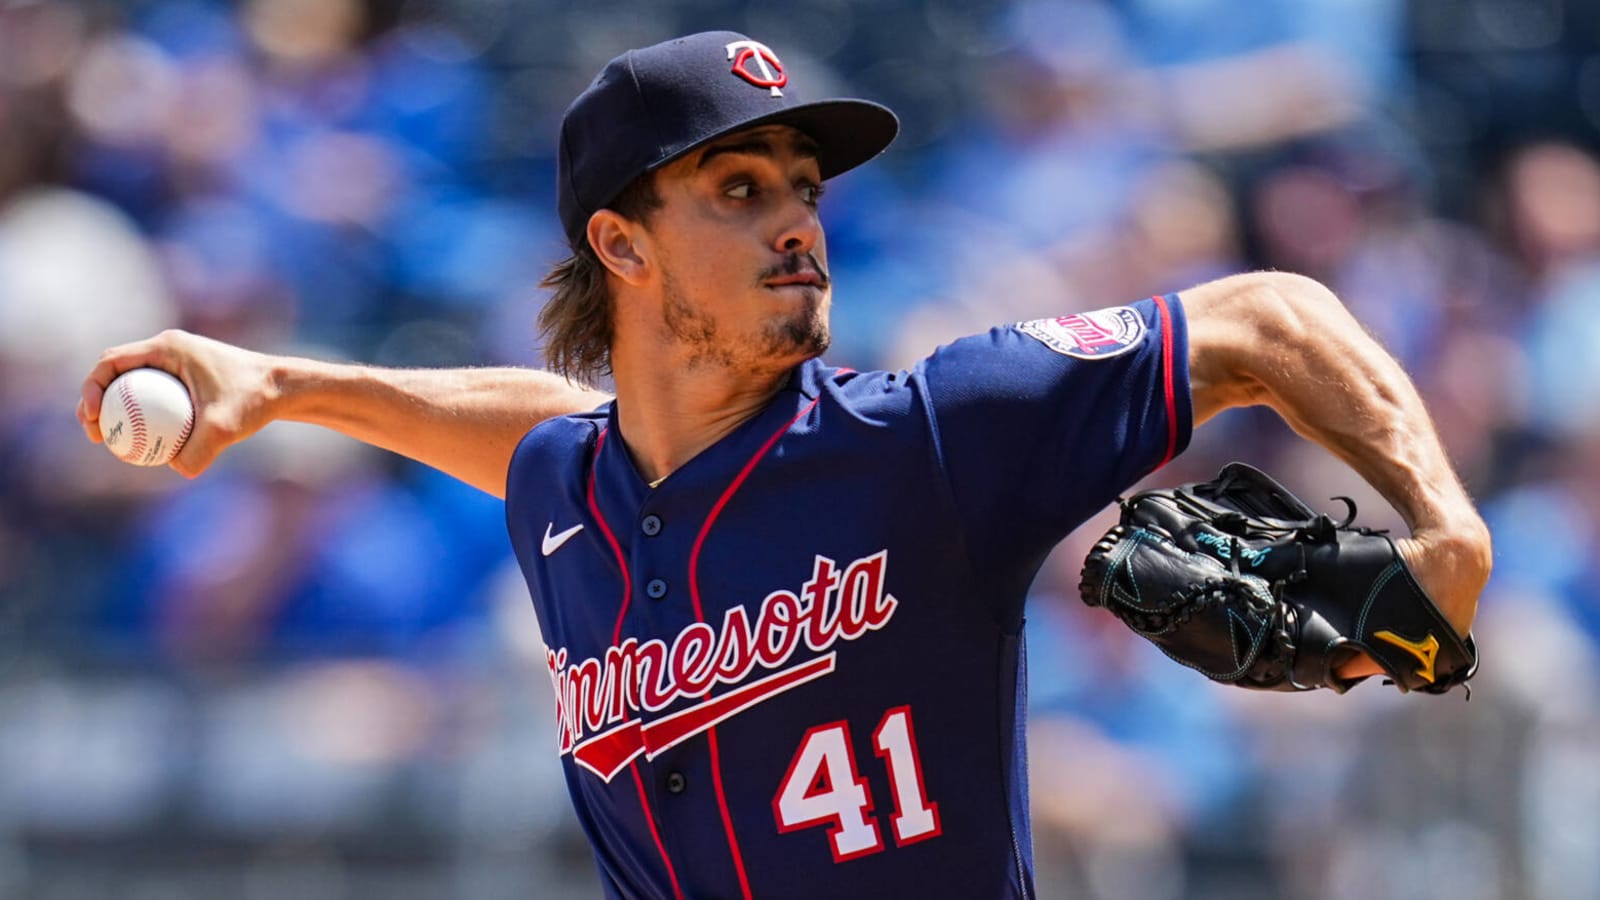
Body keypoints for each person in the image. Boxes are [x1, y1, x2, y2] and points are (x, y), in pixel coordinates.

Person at [78, 31, 1491, 900]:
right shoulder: (568, 487)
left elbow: (1269, 319)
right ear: (621, 246)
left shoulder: (931, 438)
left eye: (805, 189)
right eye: (739, 190)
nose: (798, 225)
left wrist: (1443, 525)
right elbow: (537, 428)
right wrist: (285, 386)